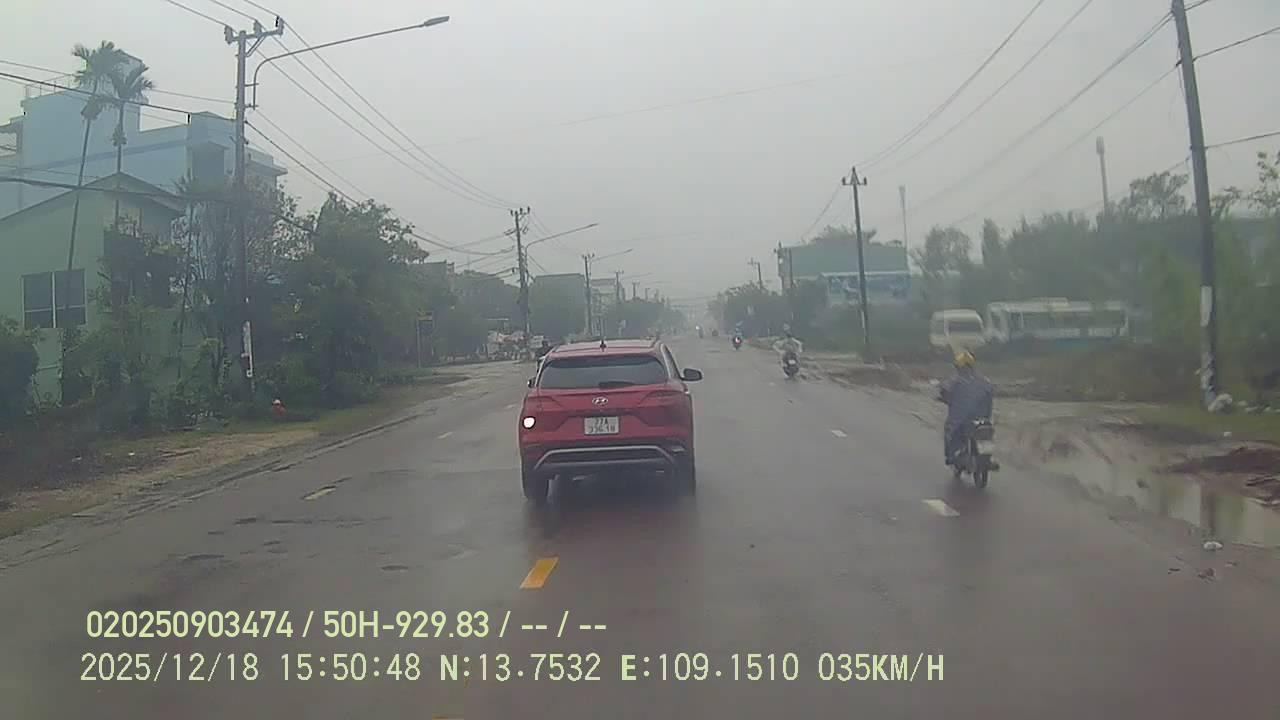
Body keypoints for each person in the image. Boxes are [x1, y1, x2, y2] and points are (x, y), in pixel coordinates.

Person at [939, 349, 994, 465]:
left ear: (959, 367)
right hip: (983, 418)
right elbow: (990, 392)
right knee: (986, 433)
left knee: (950, 430)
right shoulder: (984, 380)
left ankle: (952, 455)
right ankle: (985, 458)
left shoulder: (955, 380)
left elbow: (944, 390)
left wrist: (944, 398)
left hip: (960, 419)